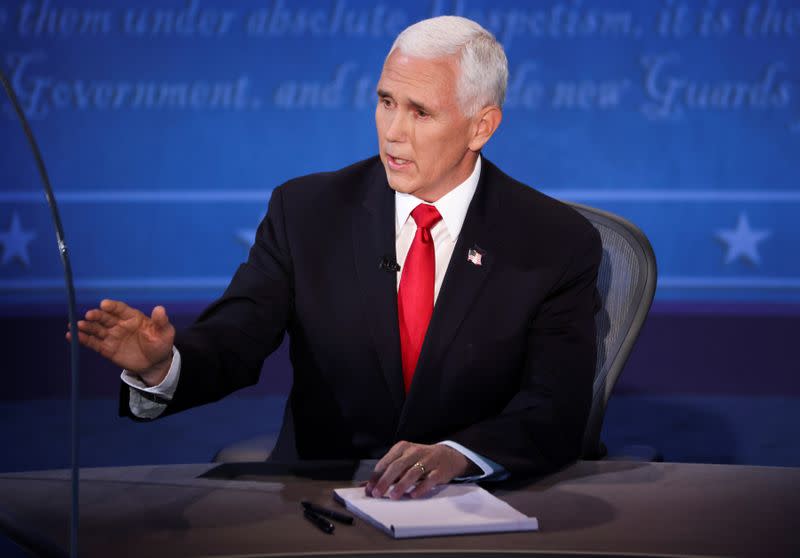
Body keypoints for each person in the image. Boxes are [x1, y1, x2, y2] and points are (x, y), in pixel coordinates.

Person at [69, 16, 601, 499]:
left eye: (420, 112)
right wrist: (165, 365)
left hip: (478, 504)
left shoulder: (552, 241)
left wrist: (458, 456)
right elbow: (237, 338)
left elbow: (555, 409)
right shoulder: (307, 212)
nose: (393, 132)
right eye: (386, 101)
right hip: (322, 499)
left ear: (481, 127)